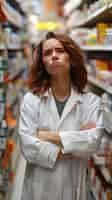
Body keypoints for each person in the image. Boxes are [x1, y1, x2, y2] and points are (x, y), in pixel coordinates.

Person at [19, 31, 104, 200]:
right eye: (47, 53)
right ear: (43, 63)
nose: (54, 56)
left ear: (71, 58)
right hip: (39, 187)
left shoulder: (90, 102)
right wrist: (74, 146)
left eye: (60, 50)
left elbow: (93, 142)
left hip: (73, 186)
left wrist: (46, 136)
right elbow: (28, 147)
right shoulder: (31, 101)